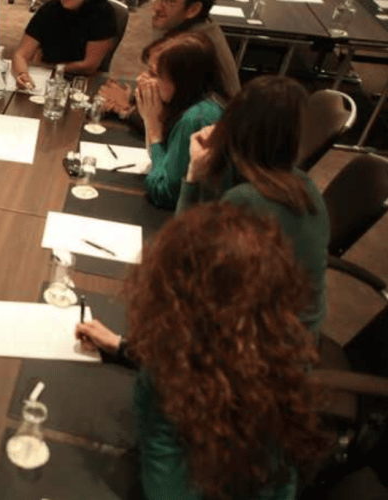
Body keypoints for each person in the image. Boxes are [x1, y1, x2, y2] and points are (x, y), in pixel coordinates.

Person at [77, 203, 330, 499]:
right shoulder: (276, 360)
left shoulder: (168, 389)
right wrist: (123, 347)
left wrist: (156, 383)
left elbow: (164, 492)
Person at [179, 75, 330, 334]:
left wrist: (194, 171)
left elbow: (181, 258)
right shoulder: (304, 184)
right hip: (299, 336)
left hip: (263, 344)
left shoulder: (247, 199)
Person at [99, 0, 240, 119]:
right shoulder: (191, 27)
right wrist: (134, 99)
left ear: (193, 9)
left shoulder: (191, 47)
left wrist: (127, 110)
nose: (156, 7)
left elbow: (174, 121)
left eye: (169, 1)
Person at [135, 32, 229, 209]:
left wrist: (153, 127)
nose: (142, 79)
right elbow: (161, 162)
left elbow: (165, 193)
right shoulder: (202, 101)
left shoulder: (196, 118)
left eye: (154, 74)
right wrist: (150, 118)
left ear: (182, 79)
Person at [12, 0, 117, 89]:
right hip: (48, 79)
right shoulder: (49, 9)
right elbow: (21, 55)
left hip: (83, 83)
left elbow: (89, 65)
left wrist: (56, 68)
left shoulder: (102, 12)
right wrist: (22, 74)